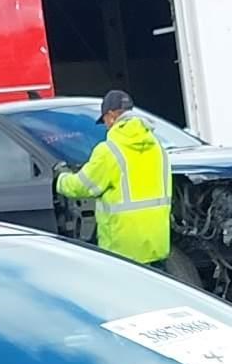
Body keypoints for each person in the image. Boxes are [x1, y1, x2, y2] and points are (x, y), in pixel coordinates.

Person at [54, 90, 171, 269]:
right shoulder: (157, 147)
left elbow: (82, 187)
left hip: (122, 250)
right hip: (156, 245)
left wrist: (60, 178)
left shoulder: (109, 151)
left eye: (105, 122)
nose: (107, 127)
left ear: (110, 116)